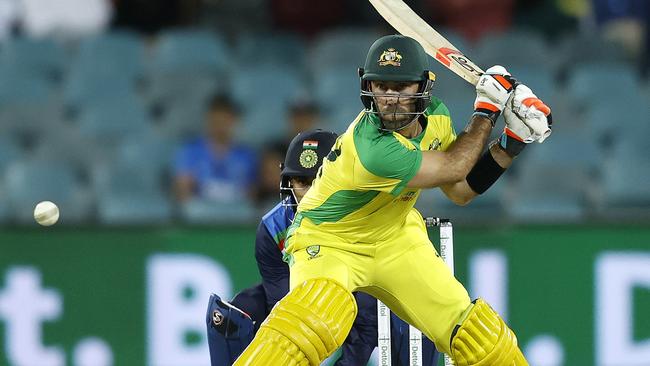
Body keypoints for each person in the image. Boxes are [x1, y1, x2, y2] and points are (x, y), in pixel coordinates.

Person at [233, 35, 552, 365]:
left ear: (423, 88)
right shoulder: (371, 148)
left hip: (395, 237)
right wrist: (488, 109)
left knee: (477, 336)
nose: (390, 99)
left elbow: (461, 189)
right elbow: (455, 164)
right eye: (381, 87)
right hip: (330, 241)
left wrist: (512, 141)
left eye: (400, 88)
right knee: (315, 316)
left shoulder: (437, 118)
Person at [205, 129, 439, 365]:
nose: (309, 194)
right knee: (232, 314)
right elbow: (283, 304)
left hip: (368, 304)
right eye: (302, 182)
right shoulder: (273, 229)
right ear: (288, 182)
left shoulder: (368, 217)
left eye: (319, 179)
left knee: (411, 314)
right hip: (314, 307)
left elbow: (368, 313)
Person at [173, 94, 258, 206]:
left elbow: (252, 196)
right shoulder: (190, 152)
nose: (219, 127)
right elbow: (182, 192)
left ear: (234, 121)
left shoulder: (247, 156)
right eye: (215, 121)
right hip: (200, 217)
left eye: (224, 121)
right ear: (208, 120)